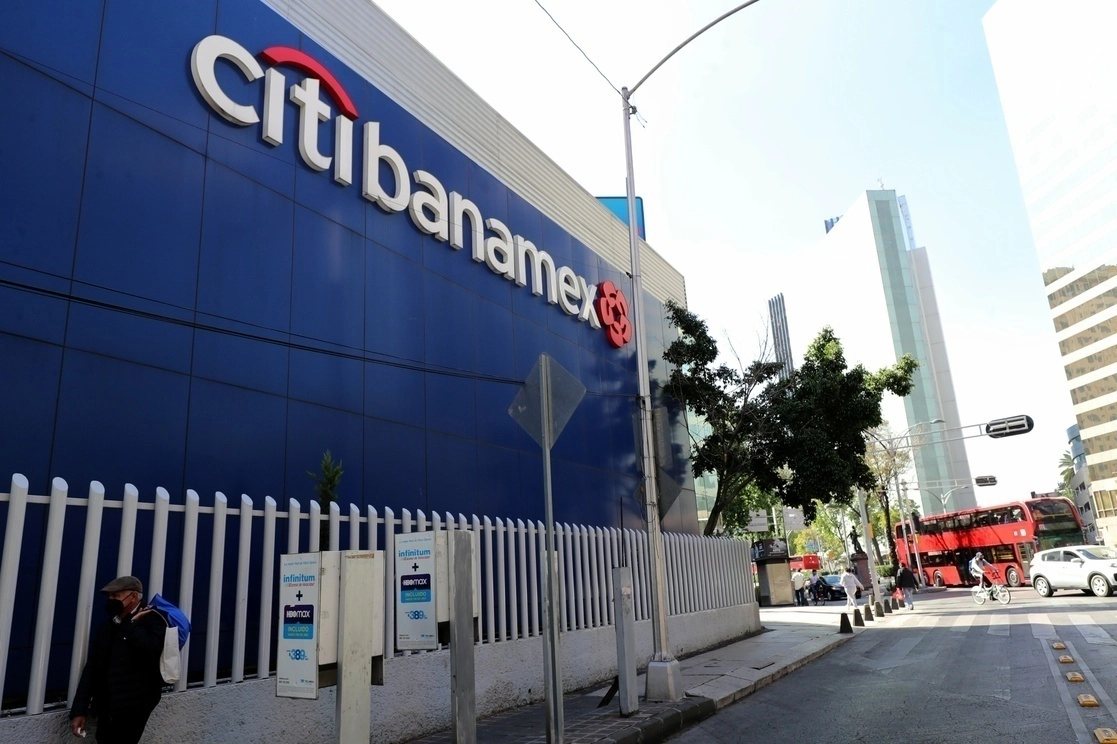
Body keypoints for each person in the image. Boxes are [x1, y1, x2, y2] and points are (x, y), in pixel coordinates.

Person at [70, 576, 167, 743]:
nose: (111, 601)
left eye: (116, 596)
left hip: (134, 708)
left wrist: (132, 624)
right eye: (109, 597)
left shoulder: (154, 620)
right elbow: (93, 669)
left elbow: (151, 650)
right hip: (106, 707)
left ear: (134, 596)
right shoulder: (108, 627)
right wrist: (79, 710)